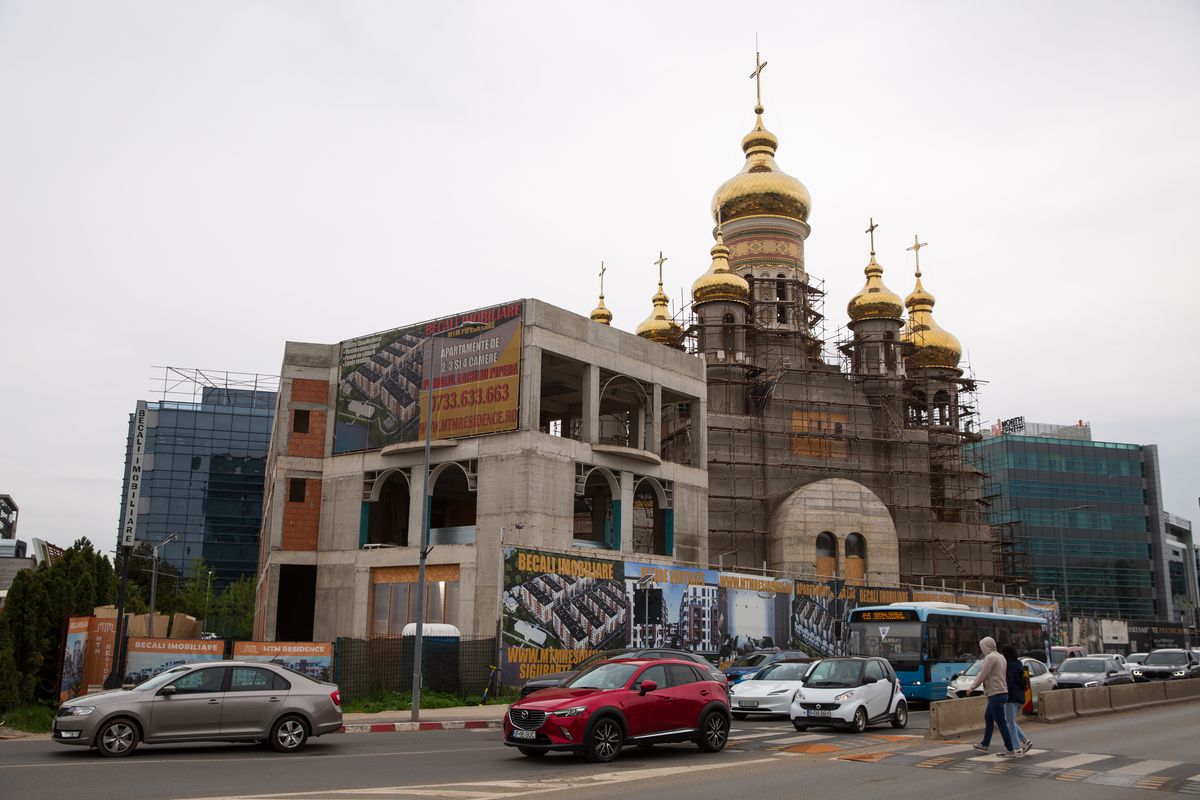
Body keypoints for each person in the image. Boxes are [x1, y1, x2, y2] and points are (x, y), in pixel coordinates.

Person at [968, 636, 1018, 757]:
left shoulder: (990, 658)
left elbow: (983, 674)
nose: (982, 650)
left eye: (982, 647)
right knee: (989, 718)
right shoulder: (1001, 657)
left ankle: (1010, 748)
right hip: (1002, 692)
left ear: (986, 646)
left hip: (995, 693)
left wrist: (972, 687)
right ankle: (985, 744)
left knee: (1001, 722)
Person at [1001, 643, 1033, 753]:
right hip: (1020, 697)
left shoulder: (1010, 667)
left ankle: (1015, 747)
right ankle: (1025, 741)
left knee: (1010, 723)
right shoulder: (1019, 664)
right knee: (1011, 721)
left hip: (1011, 697)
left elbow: (1009, 683)